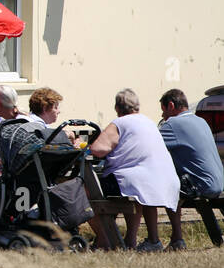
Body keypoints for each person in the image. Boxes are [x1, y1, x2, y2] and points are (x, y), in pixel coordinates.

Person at [88, 88, 180, 251]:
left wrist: (85, 147)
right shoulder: (149, 122)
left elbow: (98, 149)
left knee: (87, 189)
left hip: (134, 181)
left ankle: (104, 239)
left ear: (117, 108)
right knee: (136, 191)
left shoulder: (119, 123)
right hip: (163, 179)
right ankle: (131, 240)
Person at [159, 88, 224, 250]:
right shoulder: (200, 121)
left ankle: (176, 239)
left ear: (171, 105)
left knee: (168, 187)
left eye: (163, 111)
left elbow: (149, 147)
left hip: (201, 186)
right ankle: (176, 239)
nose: (163, 116)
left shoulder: (173, 124)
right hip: (219, 182)